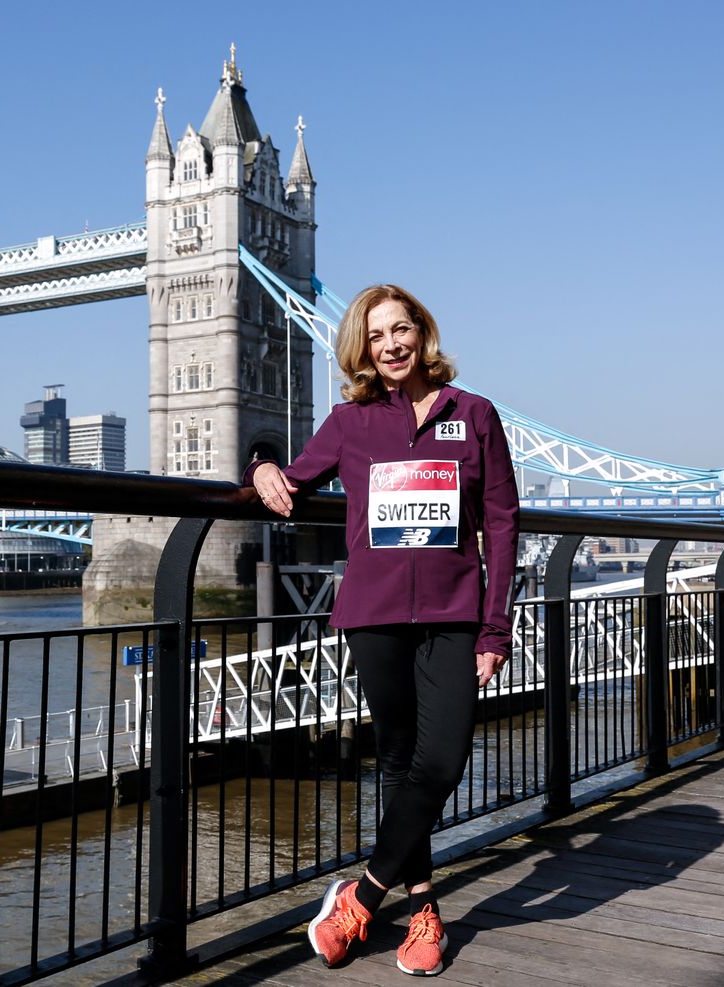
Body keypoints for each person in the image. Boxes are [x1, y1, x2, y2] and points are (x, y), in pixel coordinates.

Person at [245, 284, 519, 976]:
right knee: (399, 760)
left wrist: (495, 627)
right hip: (374, 614)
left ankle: (360, 899)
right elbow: (294, 481)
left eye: (401, 329)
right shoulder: (349, 421)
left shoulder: (475, 415)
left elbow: (502, 526)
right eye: (376, 336)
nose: (391, 344)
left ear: (422, 332)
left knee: (443, 759)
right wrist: (262, 465)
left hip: (455, 615)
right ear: (362, 349)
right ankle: (424, 910)